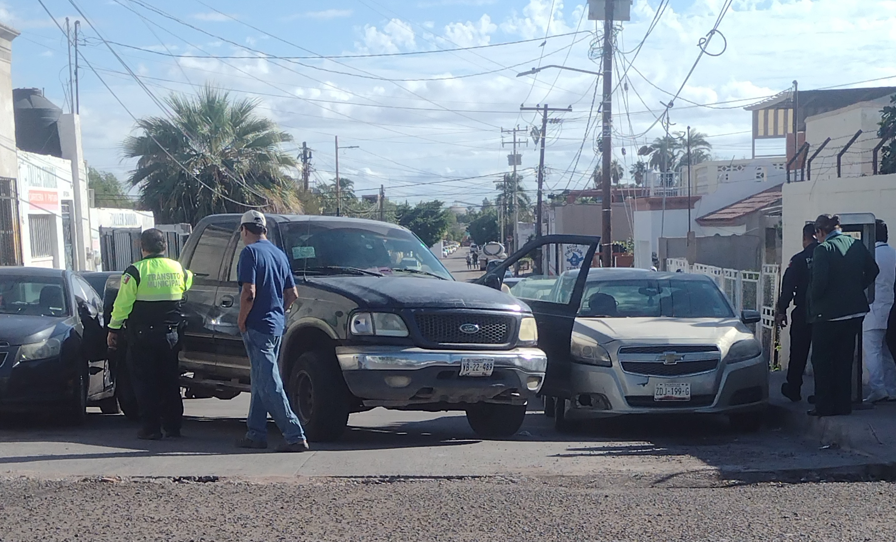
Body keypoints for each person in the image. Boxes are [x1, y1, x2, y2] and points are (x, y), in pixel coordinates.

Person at [234, 211, 309, 453]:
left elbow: (249, 292)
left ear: (245, 230)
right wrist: (280, 311)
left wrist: (242, 319)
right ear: (263, 229)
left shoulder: (250, 253)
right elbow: (293, 294)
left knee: (269, 380)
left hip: (257, 325)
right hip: (276, 324)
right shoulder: (279, 254)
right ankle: (256, 433)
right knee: (260, 379)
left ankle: (294, 434)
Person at [107, 229, 192, 440]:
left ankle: (151, 429)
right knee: (170, 382)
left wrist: (113, 329)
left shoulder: (135, 272)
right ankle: (173, 427)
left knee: (146, 383)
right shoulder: (178, 269)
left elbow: (122, 305)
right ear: (164, 246)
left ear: (141, 246)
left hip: (143, 337)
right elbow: (187, 285)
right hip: (170, 336)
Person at [807, 214, 879, 417]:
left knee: (822, 360)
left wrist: (813, 301)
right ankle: (843, 405)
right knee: (844, 359)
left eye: (816, 234)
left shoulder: (823, 249)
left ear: (820, 232)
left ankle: (824, 406)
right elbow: (873, 270)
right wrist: (858, 288)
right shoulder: (856, 245)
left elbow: (819, 283)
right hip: (855, 312)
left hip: (828, 314)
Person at [776, 223, 819, 402]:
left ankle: (794, 388)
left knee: (798, 352)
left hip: (803, 312)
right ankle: (821, 392)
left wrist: (781, 311)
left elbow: (788, 288)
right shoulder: (827, 255)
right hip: (823, 313)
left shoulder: (799, 259)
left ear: (804, 237)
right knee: (822, 354)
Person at [863, 219, 896, 403]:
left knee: (873, 351)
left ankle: (878, 388)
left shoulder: (870, 255)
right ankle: (892, 388)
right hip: (890, 309)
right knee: (886, 352)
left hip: (873, 309)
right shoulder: (893, 254)